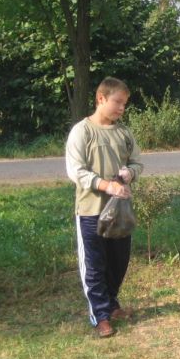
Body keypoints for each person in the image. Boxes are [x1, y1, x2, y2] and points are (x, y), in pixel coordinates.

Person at [65, 76, 143, 337]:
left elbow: (137, 162)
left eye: (124, 104)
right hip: (90, 211)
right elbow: (76, 171)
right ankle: (100, 316)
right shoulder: (82, 131)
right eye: (117, 102)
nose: (122, 109)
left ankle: (111, 304)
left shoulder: (123, 132)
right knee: (95, 265)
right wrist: (105, 185)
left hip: (119, 211)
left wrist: (130, 174)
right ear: (101, 99)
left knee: (118, 262)